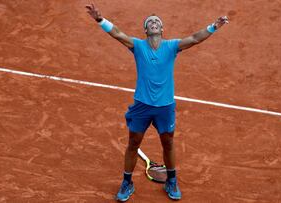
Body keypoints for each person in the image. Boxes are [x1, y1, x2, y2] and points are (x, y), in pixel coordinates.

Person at [86, 2, 229, 201]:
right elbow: (117, 34)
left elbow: (195, 38)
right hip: (142, 105)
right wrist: (100, 19)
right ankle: (127, 182)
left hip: (165, 107)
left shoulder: (172, 46)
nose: (154, 23)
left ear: (162, 29)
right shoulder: (137, 46)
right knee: (133, 143)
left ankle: (172, 180)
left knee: (168, 143)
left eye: (157, 22)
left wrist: (214, 26)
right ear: (146, 30)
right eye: (150, 22)